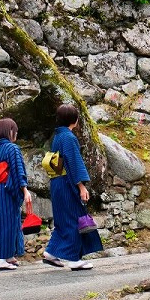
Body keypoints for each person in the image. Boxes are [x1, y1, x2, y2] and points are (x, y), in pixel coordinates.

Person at [42, 104, 103, 271]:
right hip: (67, 182)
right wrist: (82, 187)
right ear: (75, 120)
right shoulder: (68, 138)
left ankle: (51, 252)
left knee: (63, 219)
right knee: (74, 219)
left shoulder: (58, 137)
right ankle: (74, 259)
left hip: (57, 182)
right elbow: (73, 164)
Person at [0, 118, 30, 271]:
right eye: (15, 131)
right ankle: (1, 259)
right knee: (8, 223)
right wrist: (25, 189)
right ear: (10, 131)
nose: (16, 134)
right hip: (7, 190)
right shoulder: (12, 148)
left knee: (9, 221)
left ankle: (9, 256)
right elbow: (18, 170)